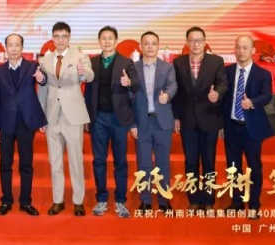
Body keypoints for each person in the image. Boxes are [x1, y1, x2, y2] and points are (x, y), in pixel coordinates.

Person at [37, 21, 94, 216]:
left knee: (76, 161)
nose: (60, 40)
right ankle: (58, 200)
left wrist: (83, 73)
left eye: (64, 36)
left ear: (69, 37)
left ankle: (78, 201)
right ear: (52, 38)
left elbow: (90, 76)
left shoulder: (80, 56)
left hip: (73, 115)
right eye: (57, 36)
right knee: (55, 161)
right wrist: (41, 116)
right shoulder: (45, 60)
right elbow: (43, 89)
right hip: (52, 116)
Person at [0, 33, 47, 216]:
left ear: (22, 47)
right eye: (10, 45)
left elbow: (43, 79)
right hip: (5, 124)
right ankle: (6, 201)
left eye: (17, 45)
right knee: (5, 164)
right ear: (6, 48)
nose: (14, 49)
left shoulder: (33, 66)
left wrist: (41, 78)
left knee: (26, 164)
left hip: (25, 123)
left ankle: (26, 202)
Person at [172, 26, 228, 211]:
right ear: (187, 42)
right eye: (192, 40)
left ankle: (209, 200)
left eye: (199, 40)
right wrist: (176, 117)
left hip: (209, 118)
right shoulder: (178, 62)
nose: (195, 44)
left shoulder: (216, 61)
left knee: (209, 161)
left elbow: (222, 83)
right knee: (191, 162)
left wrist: (217, 94)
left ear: (204, 42)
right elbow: (176, 92)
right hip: (187, 119)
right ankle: (194, 199)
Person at [85, 26, 139, 218]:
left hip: (119, 119)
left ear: (116, 41)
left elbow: (137, 84)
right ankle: (101, 199)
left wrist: (129, 83)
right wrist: (87, 118)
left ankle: (120, 201)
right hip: (98, 118)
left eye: (110, 38)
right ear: (99, 41)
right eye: (103, 38)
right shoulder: (92, 62)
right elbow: (88, 92)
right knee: (99, 160)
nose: (107, 42)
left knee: (120, 161)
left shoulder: (126, 62)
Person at [222, 35, 274, 220]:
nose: (241, 51)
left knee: (254, 167)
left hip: (251, 128)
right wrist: (221, 124)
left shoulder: (263, 74)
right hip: (231, 127)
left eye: (245, 48)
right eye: (238, 47)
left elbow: (267, 96)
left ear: (253, 51)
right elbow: (222, 100)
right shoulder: (226, 72)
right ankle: (236, 202)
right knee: (233, 167)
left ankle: (254, 205)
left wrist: (252, 102)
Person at [131, 30, 177, 214]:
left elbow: (173, 85)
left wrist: (168, 95)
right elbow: (128, 98)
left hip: (162, 122)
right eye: (146, 43)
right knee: (143, 163)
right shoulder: (133, 68)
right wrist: (132, 124)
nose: (150, 47)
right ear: (140, 46)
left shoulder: (167, 67)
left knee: (163, 163)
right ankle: (146, 201)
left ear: (158, 46)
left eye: (154, 43)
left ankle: (164, 200)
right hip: (142, 123)